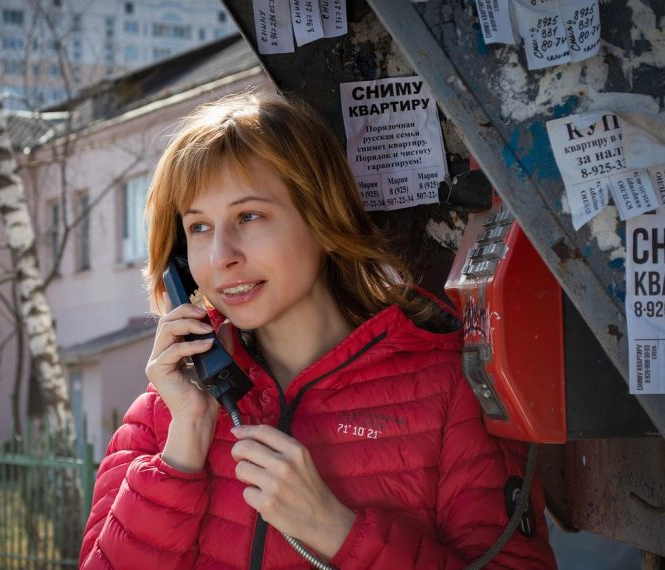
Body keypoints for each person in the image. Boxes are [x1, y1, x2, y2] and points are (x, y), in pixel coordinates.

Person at [78, 93, 557, 569]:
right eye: (199, 227)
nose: (221, 256)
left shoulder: (451, 389)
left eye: (249, 216)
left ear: (322, 217)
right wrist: (181, 449)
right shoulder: (166, 411)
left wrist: (334, 529)